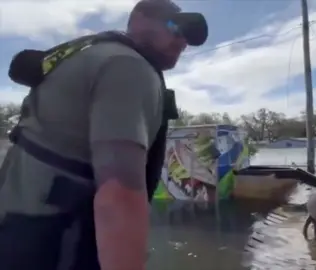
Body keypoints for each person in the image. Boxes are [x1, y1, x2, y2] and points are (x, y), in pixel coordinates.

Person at [0, 1, 208, 270]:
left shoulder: (85, 56)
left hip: (17, 235)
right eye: (174, 27)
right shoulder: (128, 67)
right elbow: (119, 196)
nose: (181, 41)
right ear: (139, 20)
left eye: (187, 37)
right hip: (59, 247)